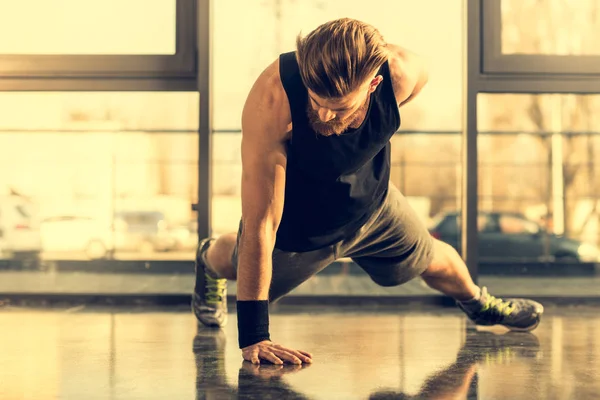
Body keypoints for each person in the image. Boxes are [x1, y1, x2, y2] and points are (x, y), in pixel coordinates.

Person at [192, 18, 544, 365]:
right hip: (297, 227)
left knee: (432, 257)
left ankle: (481, 306)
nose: (326, 117)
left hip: (373, 206)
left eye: (340, 107)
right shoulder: (273, 98)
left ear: (374, 84)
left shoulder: (403, 74)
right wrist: (254, 336)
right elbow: (260, 222)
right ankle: (208, 257)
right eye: (316, 102)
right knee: (240, 267)